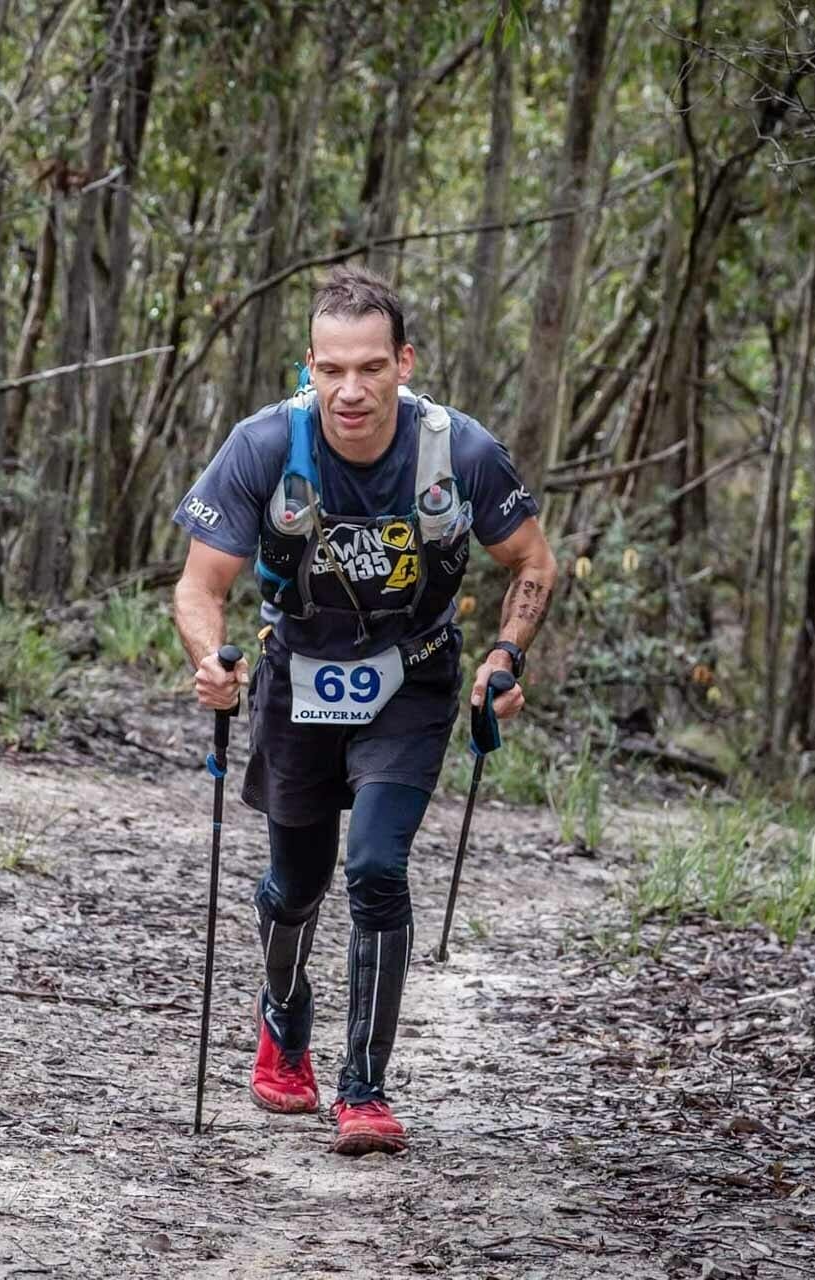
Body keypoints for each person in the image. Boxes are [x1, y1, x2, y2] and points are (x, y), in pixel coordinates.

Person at [170, 265, 557, 1154]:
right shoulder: (265, 445)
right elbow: (200, 584)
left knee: (377, 869)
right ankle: (283, 1021)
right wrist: (210, 660)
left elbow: (531, 560)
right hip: (296, 676)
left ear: (403, 363)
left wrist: (505, 655)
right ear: (309, 367)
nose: (351, 390)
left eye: (371, 367)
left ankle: (365, 1090)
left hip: (411, 679)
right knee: (294, 888)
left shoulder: (458, 452)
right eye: (332, 369)